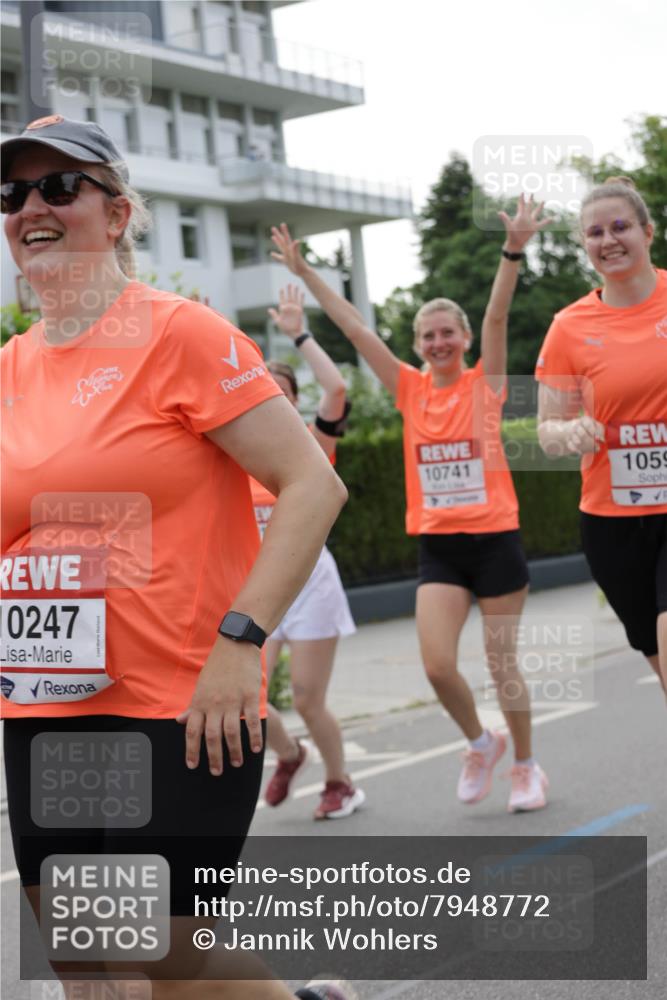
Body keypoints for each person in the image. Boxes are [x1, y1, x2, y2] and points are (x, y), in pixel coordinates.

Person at [0, 115, 354, 1000]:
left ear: (117, 214)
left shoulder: (180, 334)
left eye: (57, 188)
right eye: (12, 194)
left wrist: (242, 643)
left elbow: (313, 487)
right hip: (48, 704)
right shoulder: (9, 367)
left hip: (186, 699)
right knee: (85, 961)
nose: (30, 208)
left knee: (163, 954)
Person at [270, 201, 551, 813]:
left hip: (496, 540)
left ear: (465, 340)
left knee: (504, 668)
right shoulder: (408, 388)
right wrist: (308, 273)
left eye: (449, 332)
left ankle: (527, 766)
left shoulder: (486, 386)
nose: (439, 341)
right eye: (428, 335)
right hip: (440, 548)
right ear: (419, 346)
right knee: (436, 665)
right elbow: (354, 329)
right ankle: (481, 743)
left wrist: (513, 251)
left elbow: (500, 315)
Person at [536, 176, 667, 692]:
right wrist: (571, 433)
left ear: (647, 231)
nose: (608, 240)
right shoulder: (569, 326)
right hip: (612, 522)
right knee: (657, 657)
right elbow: (547, 431)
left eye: (620, 227)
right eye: (595, 233)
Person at [251, 285, 364, 820]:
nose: (269, 400)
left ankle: (340, 783)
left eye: (279, 392)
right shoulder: (231, 453)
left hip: (311, 580)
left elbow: (337, 385)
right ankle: (291, 754)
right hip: (258, 584)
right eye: (258, 390)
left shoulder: (310, 447)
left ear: (292, 400)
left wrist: (299, 332)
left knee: (306, 698)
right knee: (249, 695)